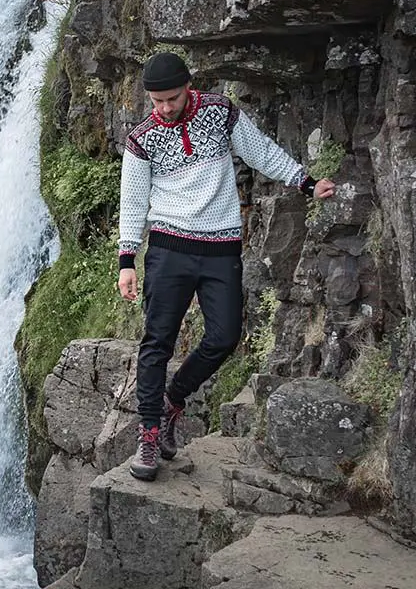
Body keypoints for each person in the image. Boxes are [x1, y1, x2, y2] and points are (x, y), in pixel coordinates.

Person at [118, 52, 335, 481]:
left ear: (189, 87)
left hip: (220, 247)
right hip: (168, 247)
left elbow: (261, 152)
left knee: (225, 336)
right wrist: (127, 260)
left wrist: (306, 182)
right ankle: (148, 435)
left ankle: (172, 402)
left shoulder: (220, 113)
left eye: (172, 99)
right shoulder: (141, 138)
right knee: (157, 342)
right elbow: (133, 200)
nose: (164, 108)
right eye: (156, 101)